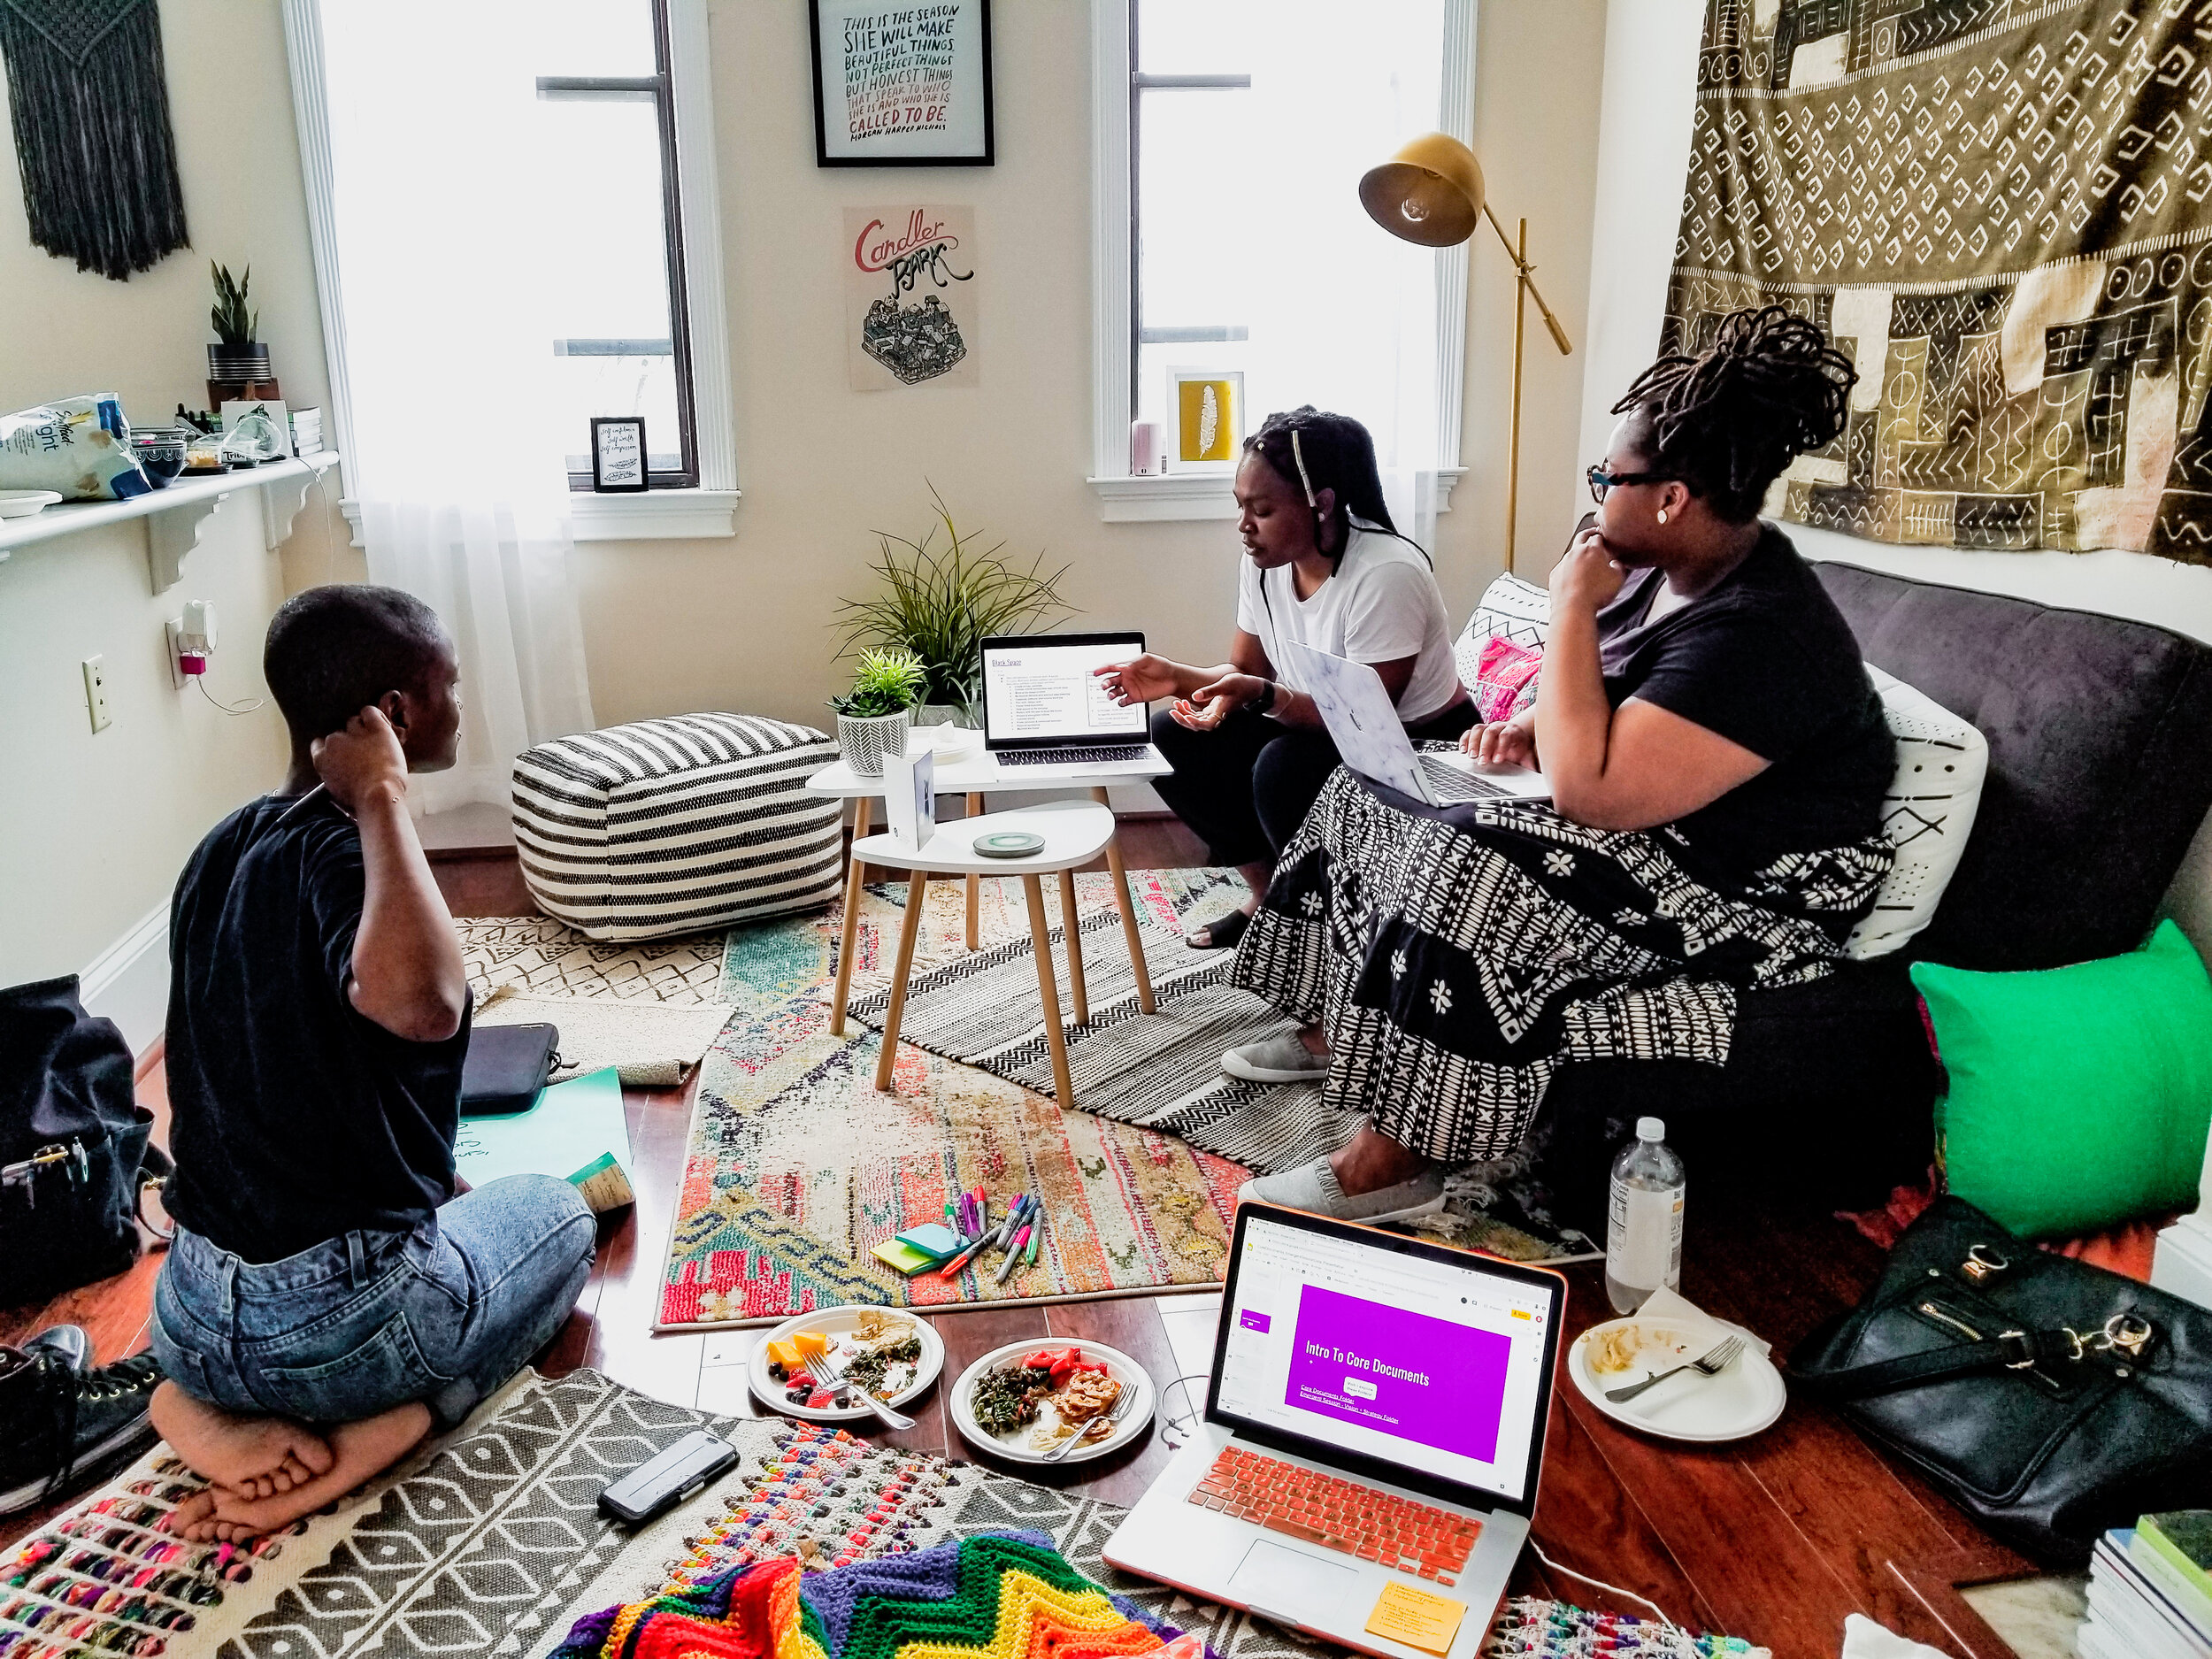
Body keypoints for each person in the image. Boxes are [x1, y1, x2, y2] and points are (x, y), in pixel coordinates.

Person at [1226, 307, 1898, 1222]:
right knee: (1369, 789)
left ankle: (1393, 1159)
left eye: (1606, 478)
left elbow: (1596, 791)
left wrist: (1569, 604)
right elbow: (1617, 694)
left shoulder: (1766, 632)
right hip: (1668, 835)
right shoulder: (1668, 574)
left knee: (1475, 867)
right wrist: (1533, 723)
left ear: (1667, 498)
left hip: (1751, 895)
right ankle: (1342, 1033)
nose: (1595, 496)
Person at [147, 585, 597, 1541]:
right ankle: (390, 1428)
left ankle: (192, 1401)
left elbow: (283, 1073)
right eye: (450, 686)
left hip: (190, 1306)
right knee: (560, 1218)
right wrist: (384, 798)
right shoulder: (354, 851)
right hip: (337, 1330)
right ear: (393, 713)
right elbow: (423, 1008)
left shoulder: (217, 849)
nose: (462, 706)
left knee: (474, 1203)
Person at [1094, 407, 1471, 964]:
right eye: (1240, 507)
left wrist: (1261, 697)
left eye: (1262, 509)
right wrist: (1179, 678)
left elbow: (1363, 720)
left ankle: (1324, 942)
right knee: (1172, 737)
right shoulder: (1265, 562)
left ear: (1319, 502)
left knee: (1282, 766)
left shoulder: (1386, 573)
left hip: (1417, 743)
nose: (1244, 525)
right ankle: (1269, 898)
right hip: (1314, 723)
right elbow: (1247, 671)